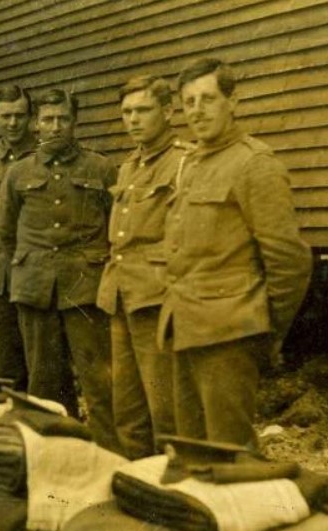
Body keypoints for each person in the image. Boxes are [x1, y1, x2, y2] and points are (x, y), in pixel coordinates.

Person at [159, 58, 312, 448]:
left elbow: (289, 261)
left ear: (233, 101)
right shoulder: (191, 163)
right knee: (191, 452)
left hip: (229, 334)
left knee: (230, 457)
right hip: (185, 326)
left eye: (208, 99)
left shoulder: (254, 165)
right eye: (189, 101)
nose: (197, 110)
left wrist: (262, 330)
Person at [0, 88, 120, 452]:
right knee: (44, 380)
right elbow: (5, 234)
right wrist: (28, 269)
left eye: (63, 119)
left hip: (85, 286)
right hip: (35, 288)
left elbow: (116, 227)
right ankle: (56, 454)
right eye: (48, 119)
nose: (55, 127)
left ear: (74, 123)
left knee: (98, 379)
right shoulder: (18, 173)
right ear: (36, 124)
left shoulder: (99, 168)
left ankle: (107, 454)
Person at [95, 75, 190, 460]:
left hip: (157, 298)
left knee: (165, 409)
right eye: (127, 112)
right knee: (128, 410)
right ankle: (137, 488)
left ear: (168, 112)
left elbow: (186, 237)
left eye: (143, 110)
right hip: (121, 296)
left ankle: (171, 495)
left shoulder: (184, 162)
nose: (134, 119)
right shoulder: (128, 166)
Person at [0, 85, 36, 390]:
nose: (13, 123)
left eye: (20, 116)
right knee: (4, 362)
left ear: (31, 118)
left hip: (33, 275)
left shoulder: (41, 159)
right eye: (6, 116)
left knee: (39, 362)